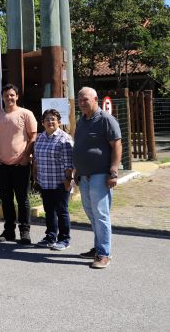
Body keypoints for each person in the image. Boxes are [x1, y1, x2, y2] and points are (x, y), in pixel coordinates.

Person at [73, 87, 122, 269]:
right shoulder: (82, 121)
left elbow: (117, 145)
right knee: (91, 213)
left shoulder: (106, 120)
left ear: (95, 98)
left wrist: (113, 172)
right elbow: (80, 145)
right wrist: (77, 170)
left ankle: (104, 254)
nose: (82, 102)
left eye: (85, 99)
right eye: (79, 100)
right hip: (84, 176)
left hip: (100, 175)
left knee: (101, 215)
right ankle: (98, 247)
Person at [0, 84, 37, 244]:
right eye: (6, 95)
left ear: (17, 97)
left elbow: (33, 137)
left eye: (12, 95)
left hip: (21, 164)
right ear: (2, 96)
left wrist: (26, 156)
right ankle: (9, 231)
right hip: (2, 164)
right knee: (6, 199)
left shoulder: (26, 114)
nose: (9, 98)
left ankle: (25, 232)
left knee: (22, 199)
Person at [32, 109, 74, 251]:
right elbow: (36, 160)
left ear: (59, 122)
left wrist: (68, 181)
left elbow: (69, 164)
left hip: (60, 183)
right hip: (45, 182)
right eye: (47, 119)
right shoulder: (40, 138)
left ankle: (64, 239)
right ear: (42, 122)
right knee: (49, 211)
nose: (50, 122)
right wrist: (35, 177)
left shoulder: (65, 139)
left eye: (53, 119)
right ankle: (50, 237)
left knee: (62, 211)